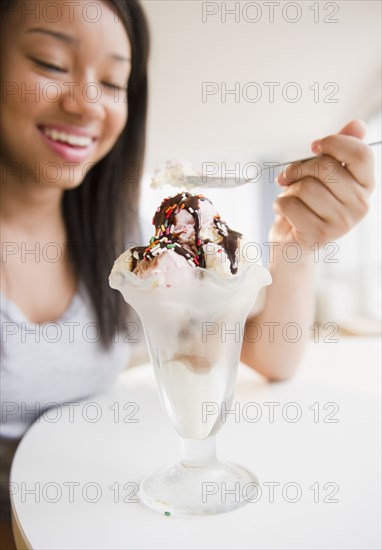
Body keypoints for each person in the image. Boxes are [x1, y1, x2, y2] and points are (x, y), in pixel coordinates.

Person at [0, 0, 375, 546]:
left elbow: (266, 355)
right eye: (50, 62)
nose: (86, 104)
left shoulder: (118, 234)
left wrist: (293, 246)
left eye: (112, 81)